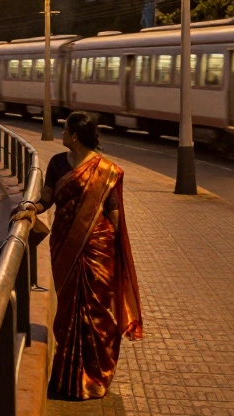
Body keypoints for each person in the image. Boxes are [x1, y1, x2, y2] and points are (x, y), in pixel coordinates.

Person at [13, 111, 142, 400]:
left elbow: (113, 211)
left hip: (98, 248)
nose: (61, 135)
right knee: (69, 311)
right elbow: (47, 198)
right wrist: (31, 209)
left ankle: (93, 376)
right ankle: (68, 376)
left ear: (75, 135)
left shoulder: (106, 169)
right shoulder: (58, 163)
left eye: (65, 130)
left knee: (96, 313)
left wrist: (119, 249)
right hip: (64, 246)